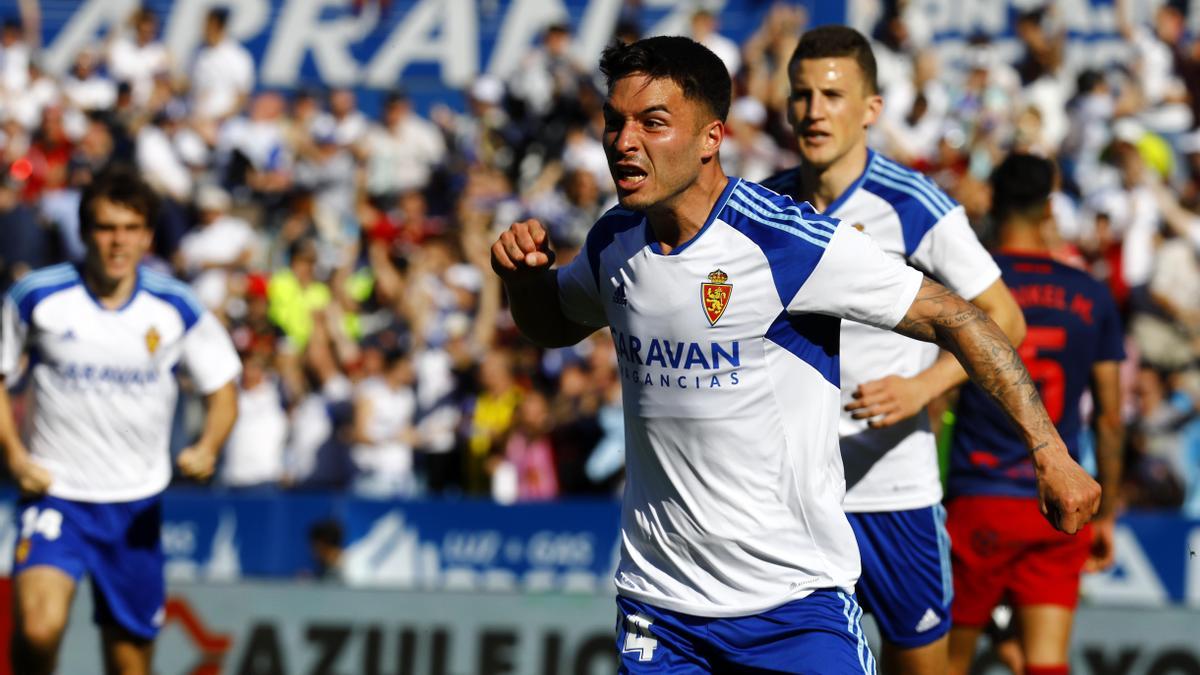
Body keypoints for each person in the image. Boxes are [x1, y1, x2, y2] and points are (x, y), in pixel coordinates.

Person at [490, 36, 1098, 673]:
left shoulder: (785, 240)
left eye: (653, 122)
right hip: (659, 606)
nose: (622, 140)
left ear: (711, 138)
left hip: (791, 601)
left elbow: (961, 316)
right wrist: (524, 282)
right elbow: (555, 324)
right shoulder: (614, 238)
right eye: (614, 121)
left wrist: (1049, 449)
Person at [759, 26, 1026, 674]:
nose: (814, 111)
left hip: (893, 492)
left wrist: (922, 388)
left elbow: (1004, 319)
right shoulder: (764, 205)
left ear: (872, 108)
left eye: (832, 94)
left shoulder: (912, 204)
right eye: (801, 95)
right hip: (792, 500)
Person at [0, 167, 241, 675]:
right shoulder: (36, 297)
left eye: (131, 229)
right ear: (87, 231)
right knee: (38, 628)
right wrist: (16, 458)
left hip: (134, 504)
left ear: (148, 235)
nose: (118, 242)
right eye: (107, 228)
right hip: (55, 492)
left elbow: (223, 389)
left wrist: (209, 446)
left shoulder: (175, 306)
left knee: (129, 663)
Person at [945, 154, 1125, 675]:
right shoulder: (1090, 293)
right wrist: (1107, 509)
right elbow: (1110, 419)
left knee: (944, 665)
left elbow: (939, 399)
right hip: (1058, 500)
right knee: (1046, 665)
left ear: (994, 204)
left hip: (979, 497)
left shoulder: (970, 291)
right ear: (1049, 208)